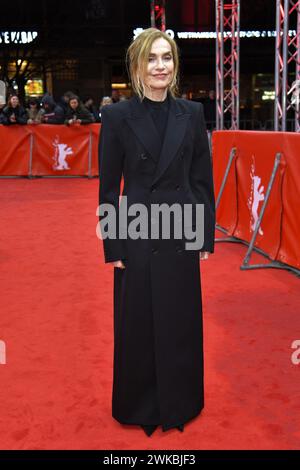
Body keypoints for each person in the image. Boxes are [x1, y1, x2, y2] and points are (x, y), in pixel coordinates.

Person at [98, 28, 215, 437]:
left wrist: (202, 236)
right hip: (137, 232)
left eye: (166, 58)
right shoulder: (115, 116)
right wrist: (112, 243)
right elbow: (110, 186)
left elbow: (201, 179)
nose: (160, 66)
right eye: (151, 58)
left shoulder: (193, 113)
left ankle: (181, 401)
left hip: (180, 231)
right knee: (139, 322)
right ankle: (142, 404)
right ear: (136, 66)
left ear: (175, 64)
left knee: (180, 320)